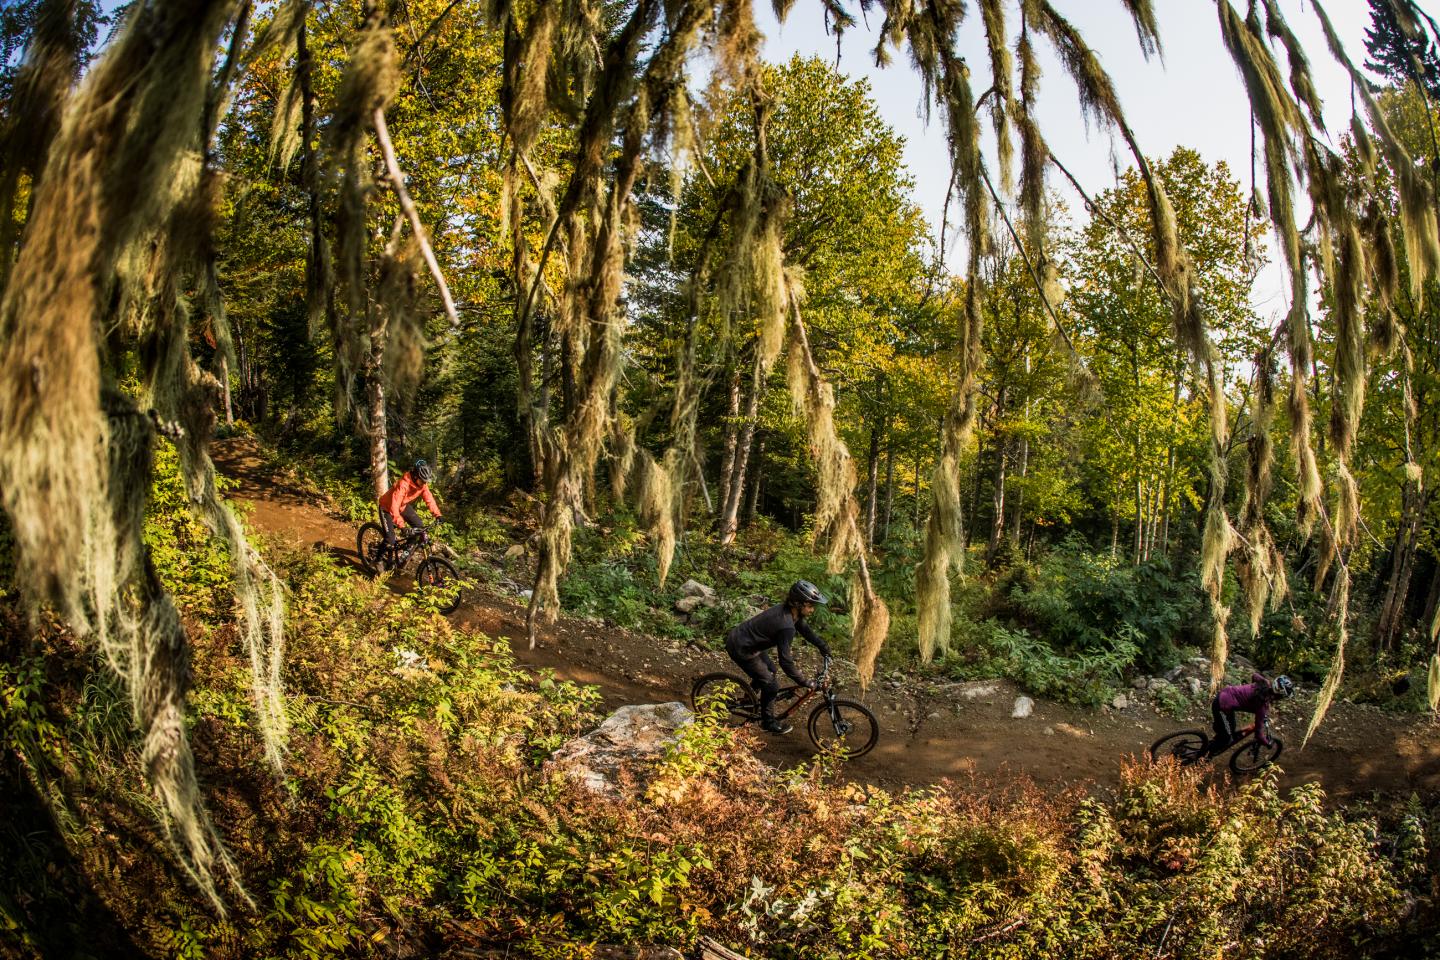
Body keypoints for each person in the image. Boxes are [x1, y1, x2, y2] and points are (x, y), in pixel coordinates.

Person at [725, 580, 832, 734]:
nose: (812, 609)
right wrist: (805, 681)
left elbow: (806, 631)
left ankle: (749, 700)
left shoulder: (790, 612)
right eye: (809, 605)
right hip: (742, 648)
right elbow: (786, 661)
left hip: (748, 641)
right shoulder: (786, 626)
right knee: (771, 685)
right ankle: (768, 722)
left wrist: (824, 647)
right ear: (798, 604)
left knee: (771, 670)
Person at [1210, 672, 1294, 754]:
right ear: (1279, 695)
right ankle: (1206, 754)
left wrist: (1250, 690)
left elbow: (1255, 675)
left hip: (1225, 695)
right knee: (1228, 737)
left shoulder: (1265, 682)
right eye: (1282, 697)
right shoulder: (1262, 704)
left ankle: (1218, 731)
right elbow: (1258, 733)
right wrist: (1266, 743)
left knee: (1230, 727)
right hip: (1222, 706)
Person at [378, 459, 442, 559]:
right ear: (416, 476)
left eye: (425, 481)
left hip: (402, 506)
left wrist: (438, 515)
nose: (424, 483)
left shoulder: (422, 484)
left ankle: (404, 555)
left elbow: (429, 498)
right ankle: (378, 560)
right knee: (390, 539)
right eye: (422, 480)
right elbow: (394, 506)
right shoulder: (403, 484)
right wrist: (402, 527)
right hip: (386, 508)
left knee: (419, 528)